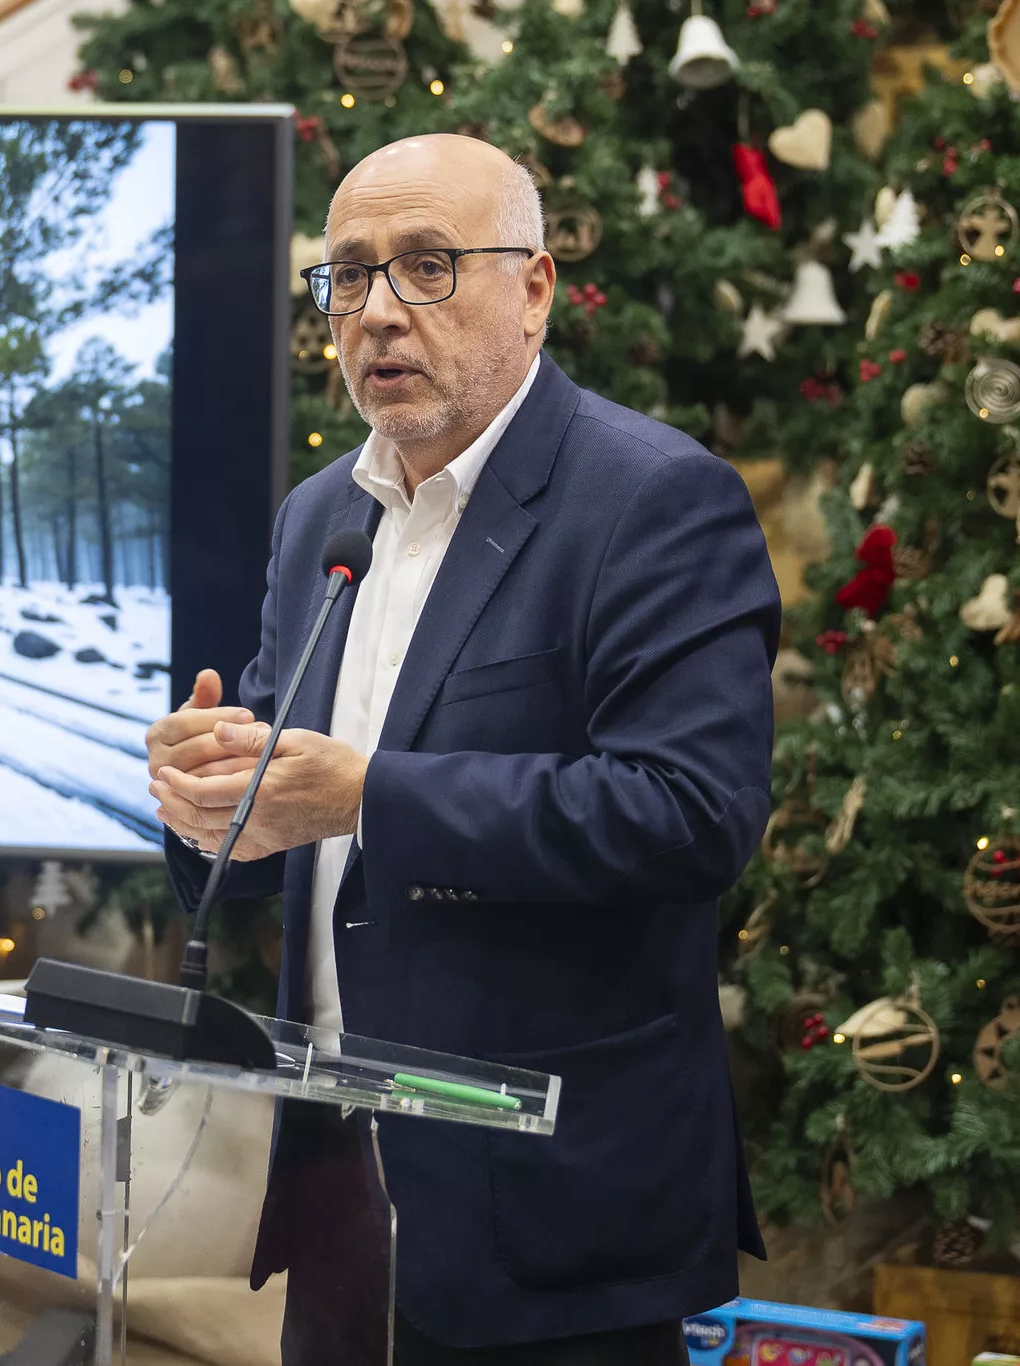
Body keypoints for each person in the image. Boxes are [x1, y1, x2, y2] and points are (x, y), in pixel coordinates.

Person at [145, 134, 778, 1364]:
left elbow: (689, 812)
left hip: (548, 1210)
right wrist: (214, 797)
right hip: (334, 1173)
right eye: (346, 275)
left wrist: (367, 794)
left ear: (533, 288)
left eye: (425, 267)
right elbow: (290, 821)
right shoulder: (318, 517)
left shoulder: (649, 499)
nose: (376, 312)